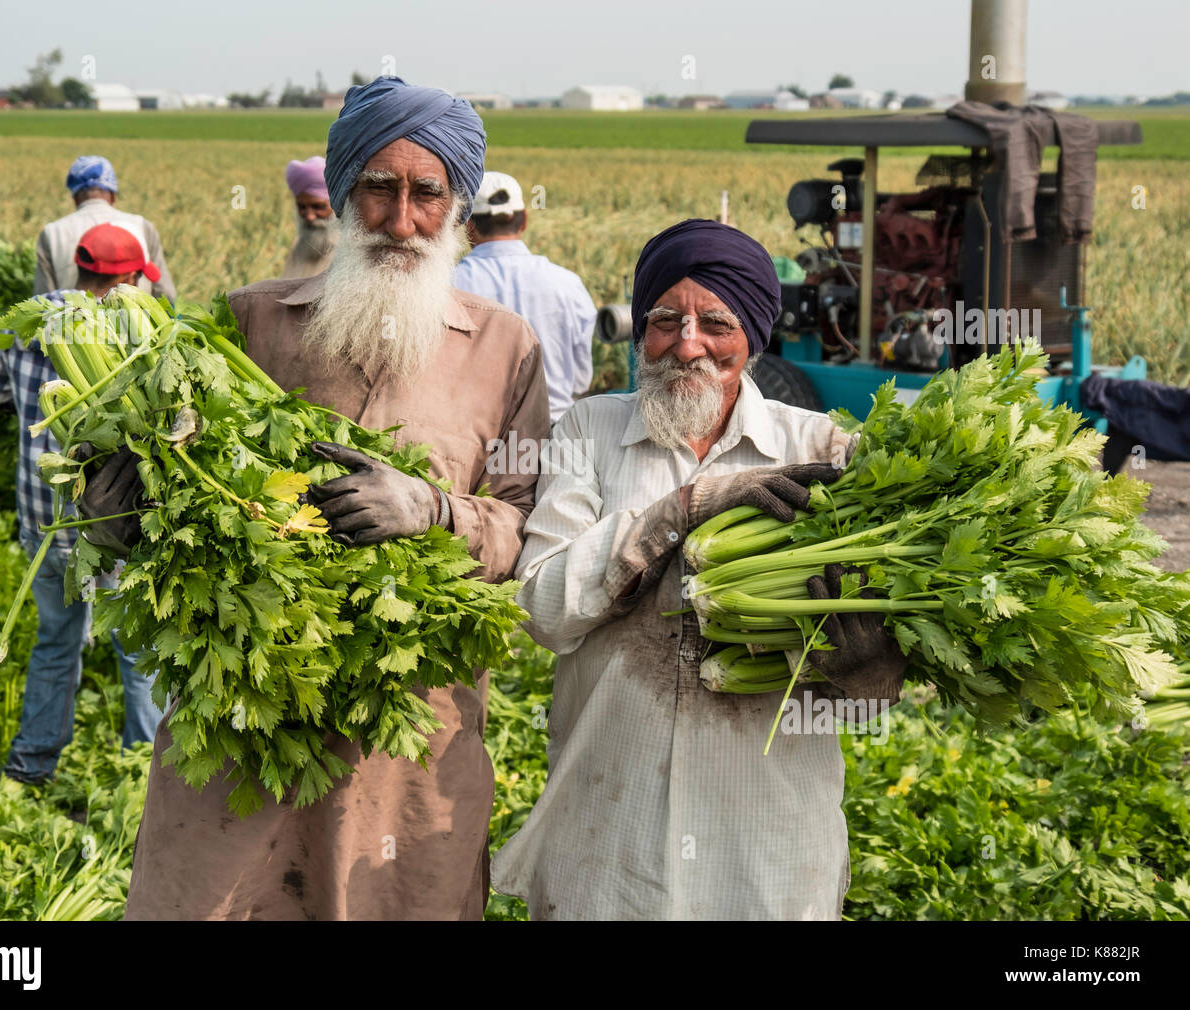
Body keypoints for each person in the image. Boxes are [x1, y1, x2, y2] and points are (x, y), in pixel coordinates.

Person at [114, 76, 551, 921]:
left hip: (407, 733)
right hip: (241, 720)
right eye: (378, 190)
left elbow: (531, 530)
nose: (400, 221)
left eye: (427, 194)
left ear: (457, 206)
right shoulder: (250, 325)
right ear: (343, 195)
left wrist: (432, 510)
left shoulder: (506, 349)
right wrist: (123, 498)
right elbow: (165, 517)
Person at [489, 219, 907, 920]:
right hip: (608, 828)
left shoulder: (825, 453)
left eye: (716, 322)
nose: (687, 344)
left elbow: (882, 670)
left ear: (753, 337)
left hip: (765, 838)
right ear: (640, 333)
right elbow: (541, 607)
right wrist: (684, 510)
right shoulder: (590, 432)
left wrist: (867, 665)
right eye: (664, 321)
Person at [0, 223, 167, 784]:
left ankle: (30, 768)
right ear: (127, 279)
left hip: (45, 525)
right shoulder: (136, 334)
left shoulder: (26, 322)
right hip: (115, 526)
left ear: (76, 272)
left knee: (55, 641)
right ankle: (140, 779)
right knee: (136, 652)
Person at [454, 171, 595, 426]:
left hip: (477, 437)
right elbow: (581, 378)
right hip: (556, 434)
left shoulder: (450, 283)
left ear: (469, 226)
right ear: (524, 220)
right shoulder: (568, 284)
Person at [34, 155, 177, 303]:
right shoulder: (142, 226)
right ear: (113, 195)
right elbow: (165, 294)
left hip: (68, 323)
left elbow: (42, 301)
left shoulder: (52, 232)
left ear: (75, 198)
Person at [282, 156, 338, 278]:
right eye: (302, 207)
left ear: (337, 204)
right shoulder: (299, 248)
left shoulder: (352, 255)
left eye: (318, 207)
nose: (310, 217)